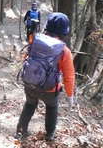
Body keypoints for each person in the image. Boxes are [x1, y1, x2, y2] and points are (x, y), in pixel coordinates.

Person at [15, 12, 75, 141]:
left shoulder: (35, 40)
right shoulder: (64, 51)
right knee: (52, 107)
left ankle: (20, 132)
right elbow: (69, 77)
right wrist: (70, 96)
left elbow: (26, 58)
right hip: (50, 89)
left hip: (30, 84)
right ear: (64, 32)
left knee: (30, 105)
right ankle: (49, 135)